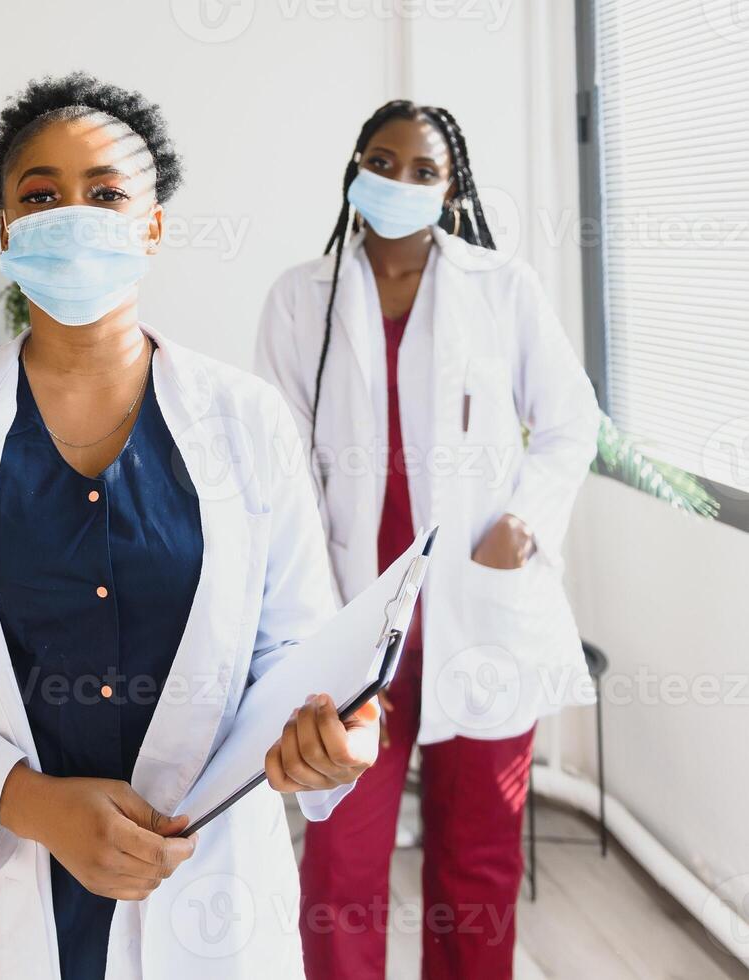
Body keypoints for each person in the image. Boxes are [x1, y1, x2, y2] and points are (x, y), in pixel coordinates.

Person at [0, 73, 380, 979]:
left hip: (209, 889)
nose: (73, 215)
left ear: (154, 223)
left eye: (108, 193)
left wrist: (329, 740)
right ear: (6, 233)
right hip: (13, 887)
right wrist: (32, 804)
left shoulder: (247, 423)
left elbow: (297, 655)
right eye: (40, 196)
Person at [255, 100, 600, 980]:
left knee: (478, 863)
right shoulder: (302, 297)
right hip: (358, 623)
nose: (399, 180)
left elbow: (568, 424)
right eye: (382, 159)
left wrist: (522, 522)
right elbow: (280, 466)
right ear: (354, 169)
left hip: (480, 613)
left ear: (452, 191)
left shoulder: (502, 287)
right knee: (339, 869)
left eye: (423, 170)